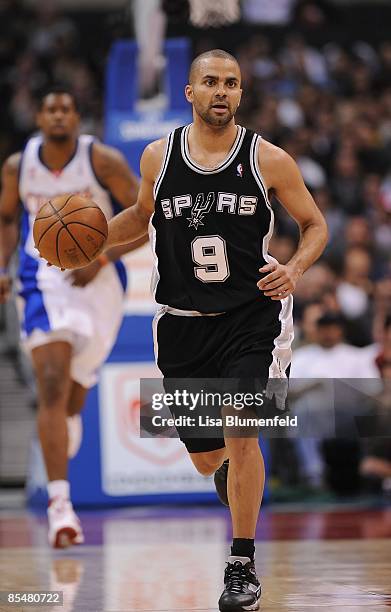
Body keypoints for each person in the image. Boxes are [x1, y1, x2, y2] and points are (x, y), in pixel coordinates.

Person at [56, 50, 327, 611]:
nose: (221, 91)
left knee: (242, 429)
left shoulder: (268, 159)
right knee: (209, 458)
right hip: (182, 326)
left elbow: (315, 224)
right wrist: (91, 241)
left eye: (231, 83)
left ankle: (241, 566)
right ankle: (228, 468)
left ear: (240, 94)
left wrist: (294, 269)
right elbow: (140, 216)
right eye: (210, 82)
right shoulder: (159, 156)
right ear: (190, 93)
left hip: (253, 316)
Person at [0, 86, 146, 549]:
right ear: (39, 117)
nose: (58, 115)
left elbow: (148, 216)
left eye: (66, 108)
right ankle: (61, 505)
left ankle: (62, 431)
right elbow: (7, 220)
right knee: (51, 381)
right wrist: (3, 266)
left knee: (72, 400)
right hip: (39, 278)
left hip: (99, 281)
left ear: (77, 118)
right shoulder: (16, 166)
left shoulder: (100, 160)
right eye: (50, 108)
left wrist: (100, 258)